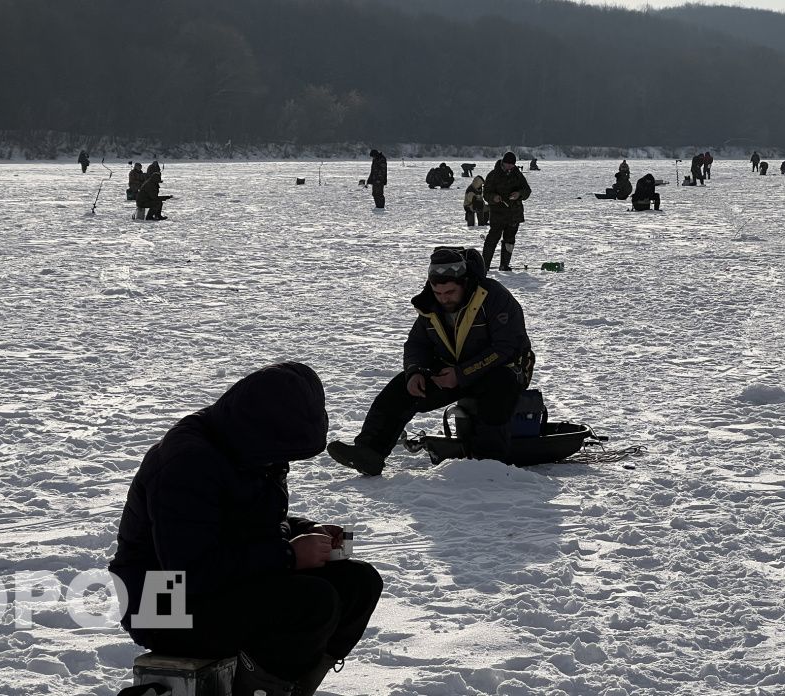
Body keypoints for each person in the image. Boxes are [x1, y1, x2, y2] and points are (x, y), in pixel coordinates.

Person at [110, 362, 382, 696]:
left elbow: (245, 521)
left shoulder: (247, 447)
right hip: (162, 604)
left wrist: (304, 530)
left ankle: (286, 688)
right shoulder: (187, 464)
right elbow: (191, 571)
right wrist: (288, 556)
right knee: (311, 602)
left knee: (358, 583)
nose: (285, 462)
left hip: (212, 584)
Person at [327, 248, 534, 475]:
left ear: (464, 283)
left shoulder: (493, 296)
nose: (444, 298)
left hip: (503, 368)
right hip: (453, 370)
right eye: (438, 292)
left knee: (498, 391)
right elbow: (417, 344)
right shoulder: (429, 305)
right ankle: (369, 452)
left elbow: (506, 347)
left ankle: (488, 465)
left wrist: (461, 374)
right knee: (400, 388)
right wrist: (416, 371)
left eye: (450, 292)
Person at [482, 152, 532, 271]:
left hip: (514, 214)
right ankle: (485, 265)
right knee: (492, 239)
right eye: (508, 164)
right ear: (503, 163)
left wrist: (519, 194)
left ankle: (504, 265)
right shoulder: (493, 175)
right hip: (498, 214)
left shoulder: (517, 175)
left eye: (512, 165)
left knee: (509, 240)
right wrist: (494, 198)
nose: (510, 166)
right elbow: (486, 194)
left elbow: (527, 190)